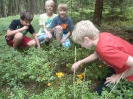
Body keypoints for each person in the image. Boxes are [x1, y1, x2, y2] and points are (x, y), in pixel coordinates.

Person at [71, 20, 133, 95]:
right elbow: (95, 55)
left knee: (97, 93)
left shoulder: (104, 50)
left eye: (80, 43)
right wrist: (80, 62)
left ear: (86, 39)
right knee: (103, 78)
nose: (81, 46)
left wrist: (118, 77)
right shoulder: (102, 36)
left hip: (130, 73)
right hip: (124, 66)